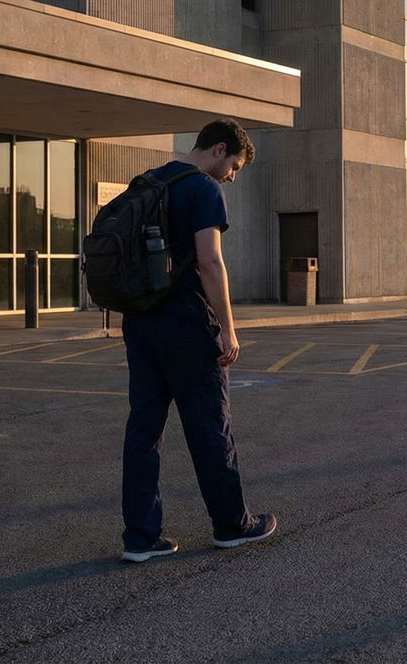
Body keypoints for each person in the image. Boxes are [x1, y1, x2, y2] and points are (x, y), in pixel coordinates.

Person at [120, 118, 277, 562]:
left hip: (141, 321)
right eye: (234, 166)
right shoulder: (203, 189)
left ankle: (140, 537)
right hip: (187, 324)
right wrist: (228, 327)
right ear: (218, 149)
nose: (231, 176)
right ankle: (231, 525)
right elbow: (210, 261)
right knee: (209, 425)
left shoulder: (148, 182)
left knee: (143, 430)